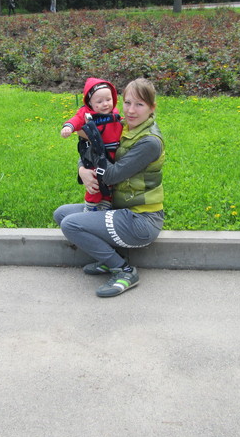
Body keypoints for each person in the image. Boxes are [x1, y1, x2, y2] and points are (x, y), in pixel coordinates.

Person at [54, 78, 165, 298]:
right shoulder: (123, 125)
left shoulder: (149, 141)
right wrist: (82, 170)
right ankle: (108, 257)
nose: (131, 110)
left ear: (152, 108)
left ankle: (123, 270)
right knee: (61, 214)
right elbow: (91, 151)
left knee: (71, 224)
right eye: (127, 102)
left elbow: (111, 175)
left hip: (141, 220)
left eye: (139, 104)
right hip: (119, 207)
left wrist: (93, 143)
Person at [61, 78, 123, 212]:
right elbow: (76, 120)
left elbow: (121, 124)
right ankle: (90, 207)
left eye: (108, 99)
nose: (105, 104)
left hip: (113, 153)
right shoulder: (87, 114)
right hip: (97, 154)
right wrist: (68, 127)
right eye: (99, 102)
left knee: (109, 184)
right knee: (96, 181)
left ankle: (105, 203)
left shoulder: (114, 114)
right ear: (90, 102)